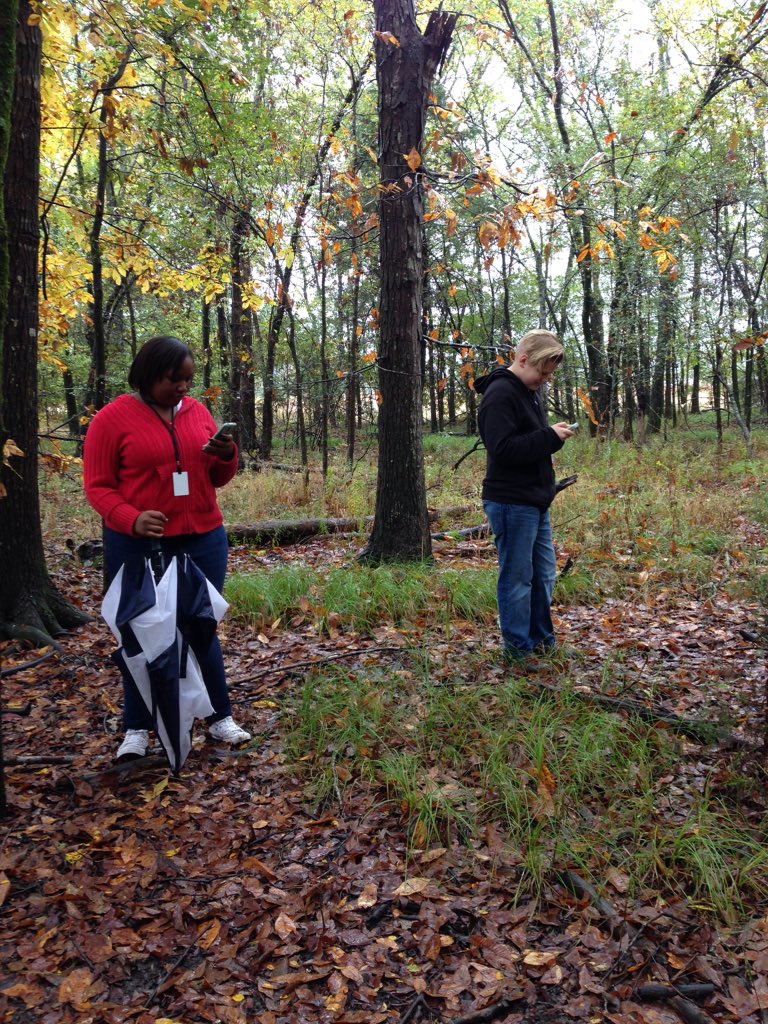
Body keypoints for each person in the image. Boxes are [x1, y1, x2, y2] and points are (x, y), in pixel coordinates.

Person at [84, 335, 251, 760]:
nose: (183, 387)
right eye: (173, 379)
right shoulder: (111, 420)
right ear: (148, 375)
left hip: (203, 539)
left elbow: (216, 477)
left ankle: (218, 716)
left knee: (200, 627)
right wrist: (131, 518)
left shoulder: (197, 413)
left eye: (188, 379)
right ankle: (137, 728)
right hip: (139, 545)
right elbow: (98, 487)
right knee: (141, 634)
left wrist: (227, 454)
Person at [475, 329, 576, 661]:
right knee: (518, 579)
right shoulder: (500, 393)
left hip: (534, 500)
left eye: (549, 375)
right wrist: (549, 437)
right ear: (522, 360)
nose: (545, 380)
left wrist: (550, 437)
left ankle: (541, 640)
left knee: (543, 575)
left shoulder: (527, 391)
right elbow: (502, 449)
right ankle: (517, 650)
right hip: (511, 502)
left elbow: (528, 441)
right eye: (542, 373)